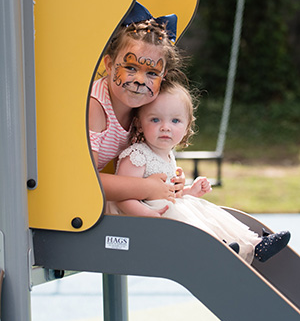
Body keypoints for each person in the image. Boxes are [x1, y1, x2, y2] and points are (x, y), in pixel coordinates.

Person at [107, 80, 291, 265]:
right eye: (155, 119)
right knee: (187, 212)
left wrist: (188, 191)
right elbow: (122, 196)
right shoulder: (137, 155)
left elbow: (170, 194)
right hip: (140, 219)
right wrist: (146, 215)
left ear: (187, 126)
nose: (165, 127)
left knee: (205, 209)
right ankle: (215, 246)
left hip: (163, 210)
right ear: (139, 124)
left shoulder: (168, 155)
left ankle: (254, 243)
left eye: (175, 121)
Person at [89, 2, 186, 203]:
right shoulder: (96, 108)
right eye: (131, 68)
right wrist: (147, 188)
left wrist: (171, 179)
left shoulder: (143, 107)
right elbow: (84, 179)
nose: (140, 80)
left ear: (163, 76)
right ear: (109, 64)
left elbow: (146, 158)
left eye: (151, 73)